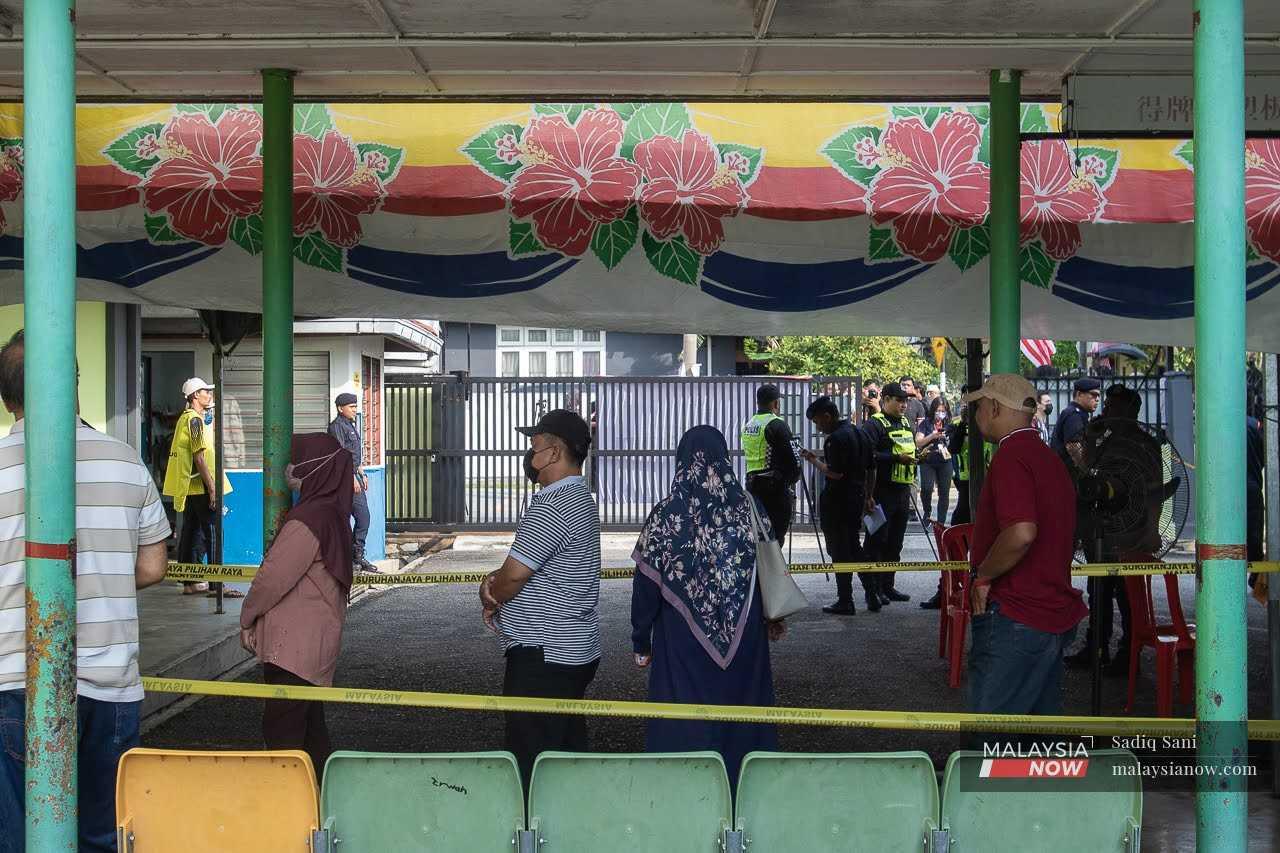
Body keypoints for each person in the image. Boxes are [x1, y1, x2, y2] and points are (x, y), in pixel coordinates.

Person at [0, 330, 171, 852]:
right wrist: (101, 578)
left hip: (11, 682)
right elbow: (154, 566)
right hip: (111, 685)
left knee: (19, 839)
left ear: (8, 400)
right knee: (104, 835)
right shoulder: (124, 460)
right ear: (74, 385)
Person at [631, 426, 784, 787]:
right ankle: (745, 790)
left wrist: (641, 641)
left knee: (685, 718)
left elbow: (645, 584)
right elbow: (768, 565)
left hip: (681, 642)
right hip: (745, 636)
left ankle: (684, 794)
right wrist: (773, 616)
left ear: (681, 461)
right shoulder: (750, 506)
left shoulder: (667, 514)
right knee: (743, 714)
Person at [479, 410, 600, 786]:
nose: (529, 459)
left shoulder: (551, 505)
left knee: (533, 760)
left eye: (534, 449)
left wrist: (491, 594)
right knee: (564, 751)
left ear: (553, 453)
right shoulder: (582, 498)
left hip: (543, 653)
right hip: (575, 648)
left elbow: (515, 574)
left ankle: (536, 832)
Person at [963, 374, 1086, 719]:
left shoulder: (1011, 456)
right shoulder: (1048, 458)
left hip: (1017, 614)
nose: (976, 417)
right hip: (1050, 613)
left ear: (995, 407)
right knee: (1038, 736)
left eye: (979, 408)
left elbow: (1021, 532)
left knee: (990, 735)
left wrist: (983, 576)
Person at [240, 433, 353, 779]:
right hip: (315, 643)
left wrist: (247, 617)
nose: (290, 467)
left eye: (297, 459)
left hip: (292, 647)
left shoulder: (308, 520)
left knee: (284, 734)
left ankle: (289, 809)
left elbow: (273, 577)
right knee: (310, 731)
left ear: (314, 468)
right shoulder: (333, 513)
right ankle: (319, 804)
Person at [1065, 385, 1154, 674]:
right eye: (1108, 405)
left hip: (1131, 531)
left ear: (1131, 411)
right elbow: (1083, 467)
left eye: (1115, 406)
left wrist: (1150, 531)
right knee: (1098, 589)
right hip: (1100, 529)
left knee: (1129, 596)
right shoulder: (1104, 441)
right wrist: (1091, 437)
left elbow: (1154, 493)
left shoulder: (1144, 445)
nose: (1108, 411)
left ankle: (1129, 655)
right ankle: (1096, 648)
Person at [802, 396, 875, 614]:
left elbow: (835, 473)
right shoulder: (860, 433)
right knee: (854, 547)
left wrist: (813, 460)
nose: (818, 426)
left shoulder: (835, 439)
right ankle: (872, 593)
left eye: (817, 422)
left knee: (839, 551)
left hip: (837, 503)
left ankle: (845, 599)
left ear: (827, 416)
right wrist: (869, 495)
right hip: (856, 498)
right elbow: (872, 468)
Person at [162, 376, 234, 595]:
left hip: (192, 485)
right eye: (205, 391)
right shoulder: (194, 421)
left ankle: (189, 582)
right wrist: (212, 488)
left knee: (191, 532)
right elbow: (199, 458)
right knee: (212, 532)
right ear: (195, 396)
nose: (209, 395)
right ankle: (216, 584)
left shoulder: (188, 418)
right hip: (202, 485)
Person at [862, 382, 917, 607]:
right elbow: (867, 455)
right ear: (885, 400)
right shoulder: (874, 424)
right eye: (899, 400)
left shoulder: (904, 422)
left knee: (895, 542)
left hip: (902, 491)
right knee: (877, 541)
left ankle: (888, 586)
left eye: (905, 401)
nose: (904, 405)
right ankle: (873, 590)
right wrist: (895, 459)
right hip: (881, 491)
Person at [741, 384, 801, 544]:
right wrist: (791, 480)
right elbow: (793, 459)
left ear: (758, 402)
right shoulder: (776, 424)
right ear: (775, 403)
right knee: (776, 537)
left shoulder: (748, 425)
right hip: (774, 490)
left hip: (752, 487)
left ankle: (760, 568)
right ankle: (773, 569)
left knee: (758, 535)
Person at [328, 392, 375, 573]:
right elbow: (340, 455)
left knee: (363, 518)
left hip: (353, 475)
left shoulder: (349, 425)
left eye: (356, 406)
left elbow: (352, 454)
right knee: (353, 519)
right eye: (351, 407)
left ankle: (357, 557)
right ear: (341, 408)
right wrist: (351, 478)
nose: (355, 410)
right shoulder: (336, 427)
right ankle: (350, 560)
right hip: (343, 480)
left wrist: (361, 471)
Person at [917, 395, 953, 524]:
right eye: (938, 410)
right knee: (926, 488)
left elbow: (955, 442)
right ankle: (927, 511)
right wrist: (932, 435)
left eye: (943, 411)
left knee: (944, 492)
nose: (940, 413)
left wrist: (947, 438)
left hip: (945, 460)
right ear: (933, 410)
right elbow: (918, 442)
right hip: (928, 460)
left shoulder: (950, 424)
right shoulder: (926, 423)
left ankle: (941, 522)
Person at [1050, 377, 1101, 469]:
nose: (1097, 399)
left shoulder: (1078, 413)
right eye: (1093, 395)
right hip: (1067, 472)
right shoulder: (1074, 415)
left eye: (1098, 396)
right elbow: (1073, 447)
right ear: (1079, 394)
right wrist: (1086, 470)